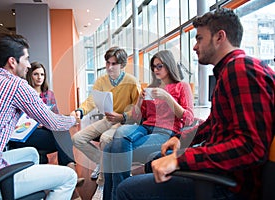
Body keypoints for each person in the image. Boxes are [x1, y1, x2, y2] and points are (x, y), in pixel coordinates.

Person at [116, 8, 275, 200]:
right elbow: (214, 123)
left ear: (219, 37)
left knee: (126, 189)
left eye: (199, 38)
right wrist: (181, 138)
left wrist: (181, 160)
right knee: (155, 161)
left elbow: (250, 147)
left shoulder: (240, 69)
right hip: (220, 173)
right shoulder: (230, 70)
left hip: (228, 184)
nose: (194, 46)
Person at [0, 33, 78, 200]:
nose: (29, 65)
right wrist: (73, 118)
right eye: (26, 59)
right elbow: (56, 123)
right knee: (69, 178)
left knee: (31, 153)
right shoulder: (16, 85)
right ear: (12, 62)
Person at [103, 49, 194, 200]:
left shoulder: (181, 86)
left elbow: (189, 118)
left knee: (112, 147)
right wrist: (139, 101)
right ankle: (114, 195)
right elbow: (137, 117)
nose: (155, 70)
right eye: (153, 67)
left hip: (165, 132)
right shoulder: (151, 88)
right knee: (111, 146)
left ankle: (118, 194)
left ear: (169, 65)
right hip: (144, 128)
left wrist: (168, 98)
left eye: (160, 66)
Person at [71, 46, 140, 186]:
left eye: (113, 63)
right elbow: (91, 100)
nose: (109, 67)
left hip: (125, 122)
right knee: (77, 139)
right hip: (108, 120)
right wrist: (80, 111)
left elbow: (137, 109)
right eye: (108, 63)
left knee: (105, 138)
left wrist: (122, 116)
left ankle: (102, 184)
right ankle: (104, 163)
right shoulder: (101, 81)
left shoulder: (132, 82)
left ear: (122, 65)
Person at [8, 61, 84, 186]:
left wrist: (50, 121)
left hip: (46, 128)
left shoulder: (49, 94)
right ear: (30, 76)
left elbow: (56, 115)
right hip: (28, 132)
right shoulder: (24, 92)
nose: (39, 78)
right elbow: (19, 119)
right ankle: (70, 171)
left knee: (61, 131)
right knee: (62, 136)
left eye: (42, 75)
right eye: (36, 74)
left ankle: (69, 171)